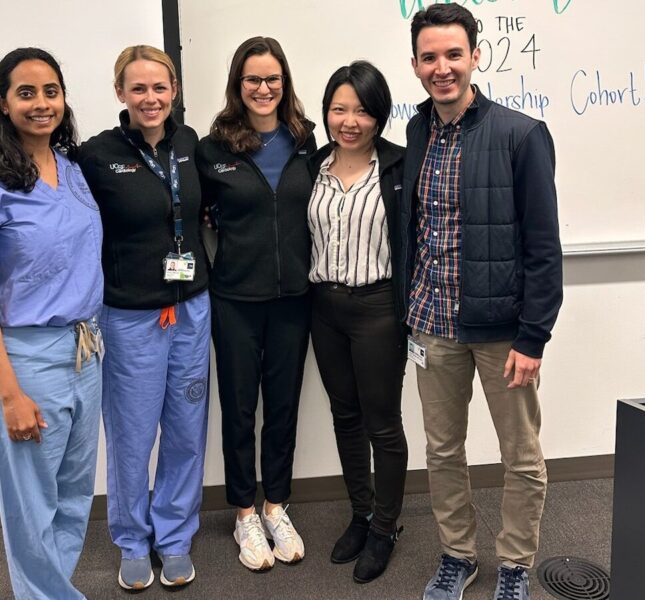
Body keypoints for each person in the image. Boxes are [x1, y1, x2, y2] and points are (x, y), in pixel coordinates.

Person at [403, 4, 563, 600]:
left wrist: (533, 337)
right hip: (433, 326)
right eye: (429, 57)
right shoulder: (418, 131)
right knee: (443, 450)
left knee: (520, 455)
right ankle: (457, 555)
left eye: (452, 54)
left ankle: (516, 564)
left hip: (503, 332)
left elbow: (544, 248)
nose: (441, 67)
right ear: (415, 64)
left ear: (476, 56)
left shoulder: (522, 134)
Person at [0, 48, 103, 600]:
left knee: (71, 500)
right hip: (24, 363)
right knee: (30, 512)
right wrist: (9, 394)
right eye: (27, 93)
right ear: (2, 103)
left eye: (51, 91)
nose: (42, 104)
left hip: (84, 355)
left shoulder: (73, 171)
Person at [77, 45, 210, 589]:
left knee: (186, 429)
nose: (150, 98)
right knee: (132, 434)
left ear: (173, 89)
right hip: (130, 317)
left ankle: (174, 535)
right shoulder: (95, 156)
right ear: (120, 94)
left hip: (191, 311)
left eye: (160, 87)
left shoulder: (190, 144)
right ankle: (132, 539)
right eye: (138, 89)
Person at [196, 36, 315, 572]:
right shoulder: (212, 148)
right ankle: (245, 510)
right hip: (235, 299)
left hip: (295, 297)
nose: (263, 89)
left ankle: (276, 505)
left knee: (284, 406)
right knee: (240, 408)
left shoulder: (309, 141)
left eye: (272, 79)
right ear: (237, 85)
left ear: (284, 82)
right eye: (252, 80)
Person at [307, 61, 408, 584]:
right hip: (324, 309)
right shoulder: (313, 167)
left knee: (382, 423)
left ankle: (387, 528)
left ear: (379, 116)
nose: (350, 120)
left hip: (378, 310)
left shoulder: (398, 168)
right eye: (339, 109)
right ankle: (361, 515)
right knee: (345, 416)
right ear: (326, 112)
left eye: (362, 110)